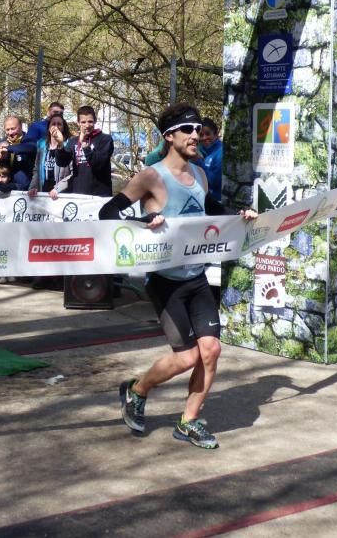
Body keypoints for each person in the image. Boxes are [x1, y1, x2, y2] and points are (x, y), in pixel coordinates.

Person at [98, 102, 257, 449]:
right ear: (169, 137)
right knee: (187, 357)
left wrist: (237, 216)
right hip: (165, 282)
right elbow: (107, 211)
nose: (196, 135)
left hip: (197, 277)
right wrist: (140, 222)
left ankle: (189, 420)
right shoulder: (151, 176)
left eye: (199, 129)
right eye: (189, 129)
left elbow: (209, 209)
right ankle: (138, 390)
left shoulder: (199, 174)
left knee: (211, 350)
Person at [65, 105, 114, 197]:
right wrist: (60, 146)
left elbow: (99, 164)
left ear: (95, 121)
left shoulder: (105, 139)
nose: (87, 125)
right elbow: (62, 162)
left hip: (100, 194)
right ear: (78, 123)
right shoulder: (72, 141)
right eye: (83, 122)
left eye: (90, 122)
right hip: (78, 194)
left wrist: (85, 147)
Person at [27, 114, 73, 199]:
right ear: (48, 127)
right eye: (53, 124)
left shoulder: (69, 145)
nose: (56, 127)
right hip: (43, 192)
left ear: (63, 127)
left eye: (59, 124)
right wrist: (33, 187)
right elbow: (37, 170)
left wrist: (57, 188)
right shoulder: (41, 145)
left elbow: (72, 174)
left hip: (61, 193)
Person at [0, 115, 35, 191]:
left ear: (20, 126)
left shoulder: (29, 141)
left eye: (13, 129)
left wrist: (8, 148)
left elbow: (30, 148)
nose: (10, 132)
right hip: (3, 187)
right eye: (7, 130)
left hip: (22, 189)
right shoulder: (2, 143)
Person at [199, 117, 223, 201]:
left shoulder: (220, 152)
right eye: (201, 135)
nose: (204, 138)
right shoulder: (206, 151)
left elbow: (214, 182)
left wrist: (198, 161)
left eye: (208, 134)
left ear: (216, 134)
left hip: (218, 203)